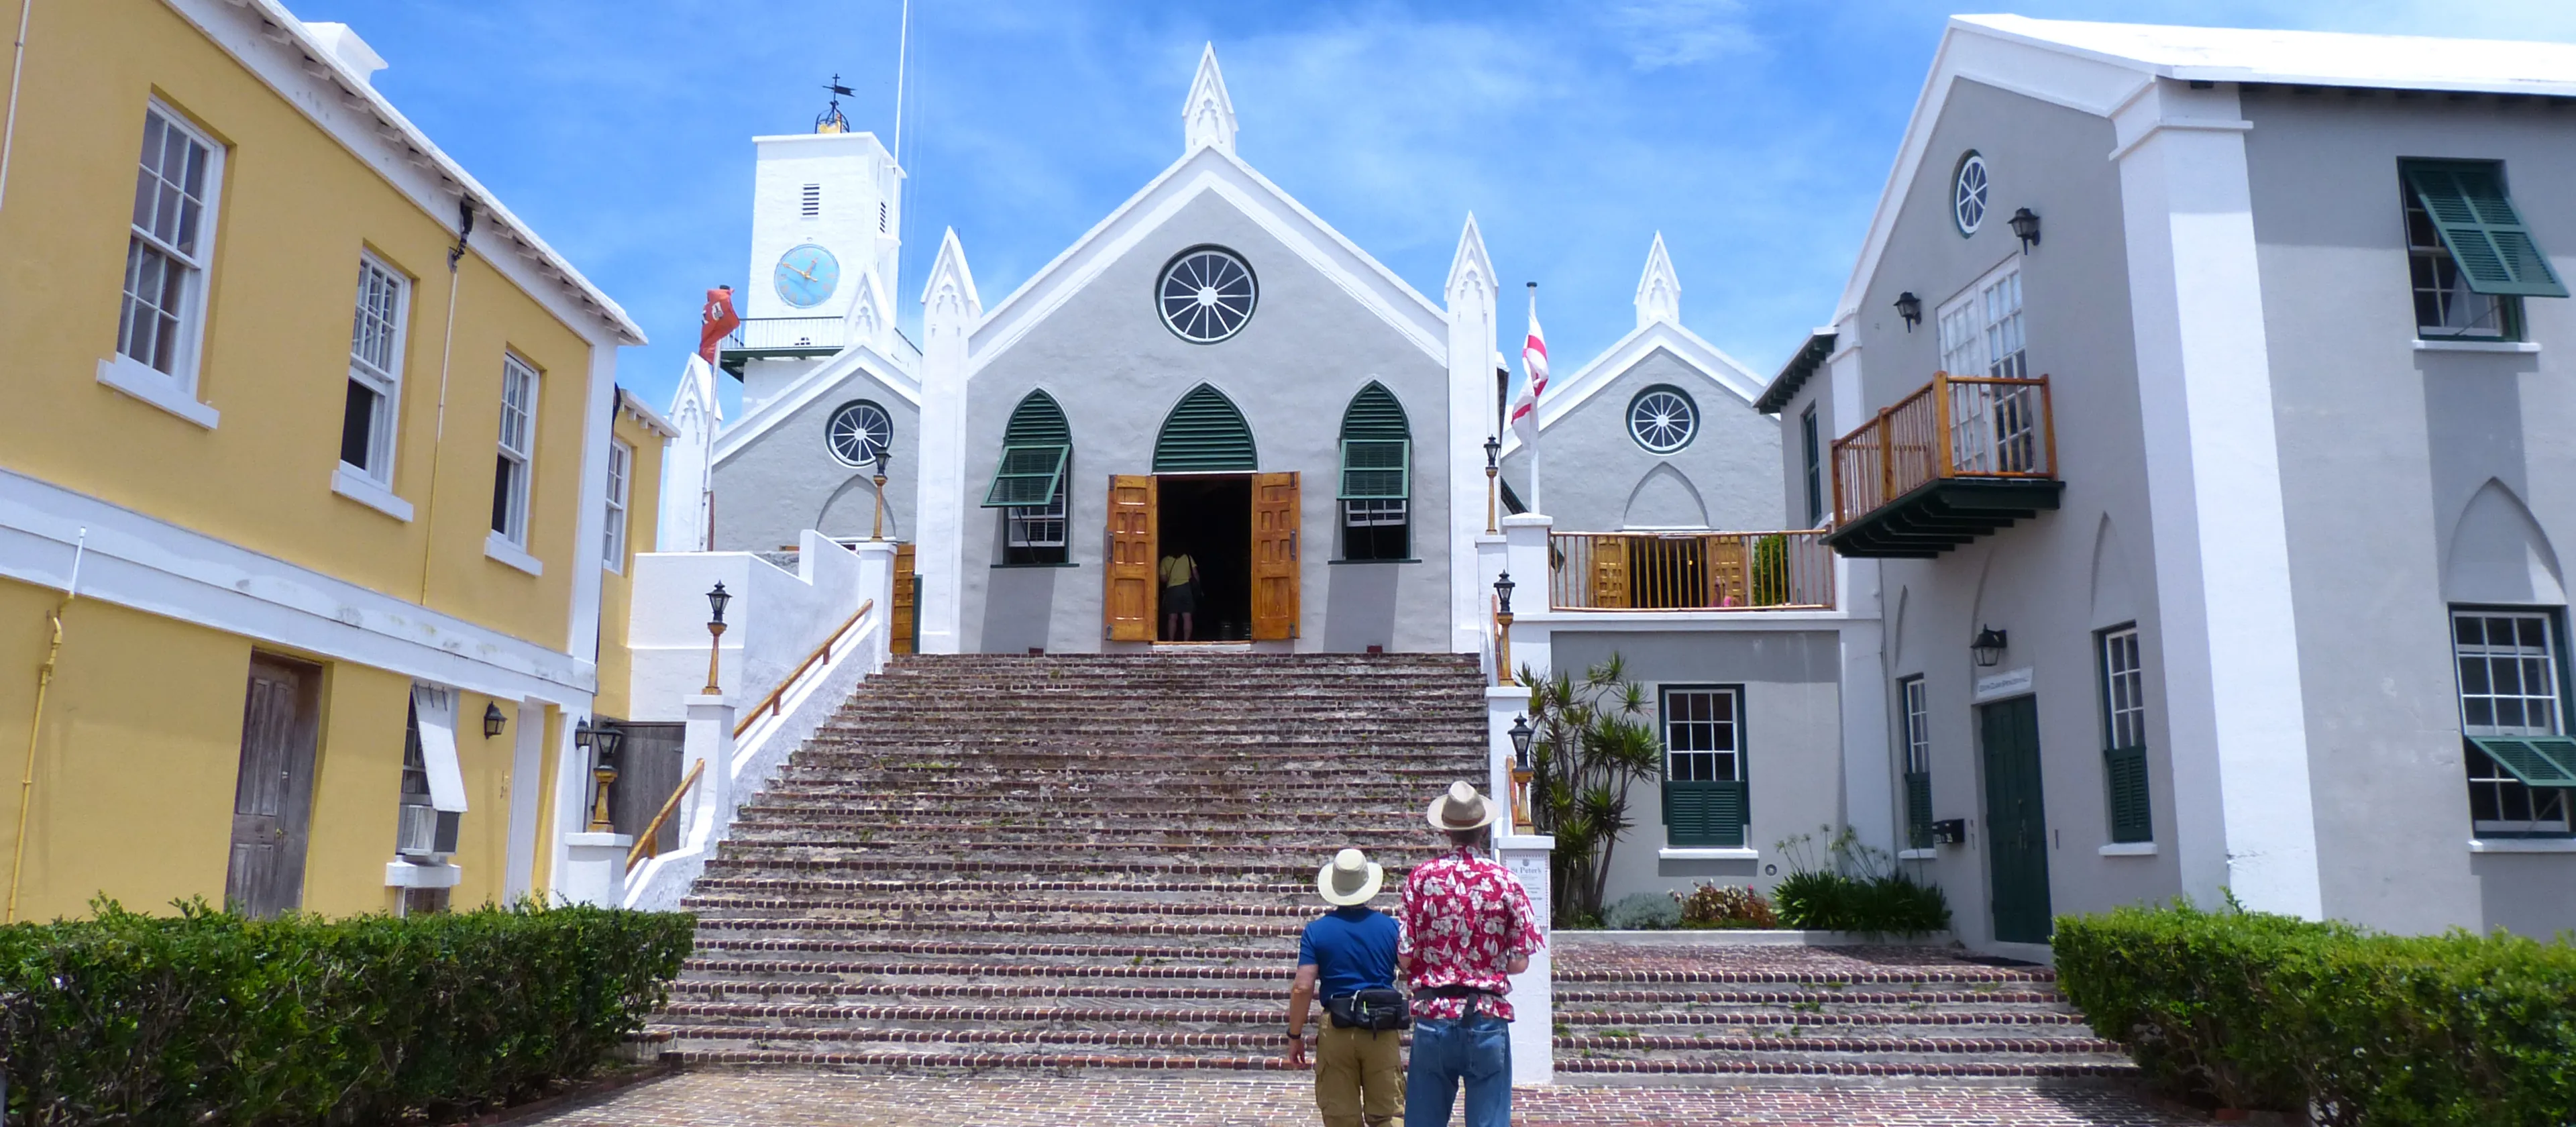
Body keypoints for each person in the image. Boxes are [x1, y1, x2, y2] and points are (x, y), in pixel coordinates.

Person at [1397, 782, 1542, 1127]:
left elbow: (1404, 957)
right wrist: (1487, 963)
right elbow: (1520, 962)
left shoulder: (1421, 879)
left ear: (1447, 830)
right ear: (1484, 829)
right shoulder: (1506, 881)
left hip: (1434, 1013)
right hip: (1487, 1013)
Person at [1287, 849, 1404, 1127]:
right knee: (1388, 1112)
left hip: (1337, 1025)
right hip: (1381, 1024)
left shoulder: (1316, 931)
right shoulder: (1391, 927)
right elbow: (1412, 969)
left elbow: (1303, 987)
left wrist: (1295, 1034)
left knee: (1341, 1116)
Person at [1159, 547, 1200, 641]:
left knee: (1172, 618)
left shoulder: (1165, 561)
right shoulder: (1187, 558)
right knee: (1187, 617)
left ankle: (1171, 640)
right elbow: (1195, 573)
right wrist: (1198, 587)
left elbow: (1163, 579)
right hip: (1186, 589)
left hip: (1172, 590)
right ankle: (1186, 641)